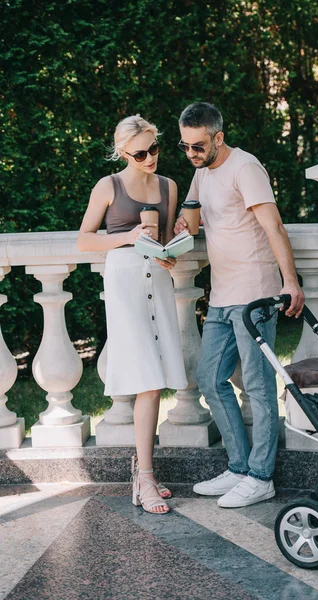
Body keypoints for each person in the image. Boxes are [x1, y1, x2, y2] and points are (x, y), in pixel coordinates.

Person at [175, 102, 304, 508]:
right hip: (222, 293)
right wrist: (181, 223)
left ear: (218, 137)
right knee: (211, 378)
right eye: (185, 146)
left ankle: (261, 476)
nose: (192, 154)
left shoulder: (246, 168)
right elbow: (194, 221)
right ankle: (239, 467)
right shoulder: (201, 170)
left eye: (198, 145)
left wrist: (291, 282)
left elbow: (274, 225)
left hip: (256, 293)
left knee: (259, 385)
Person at [78, 115, 187, 514]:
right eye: (140, 153)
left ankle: (144, 473)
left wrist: (172, 249)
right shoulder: (109, 186)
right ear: (123, 152)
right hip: (124, 285)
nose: (149, 157)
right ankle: (144, 478)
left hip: (157, 281)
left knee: (155, 381)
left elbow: (166, 243)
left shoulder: (168, 186)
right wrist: (126, 237)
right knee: (146, 377)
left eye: (154, 148)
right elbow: (84, 239)